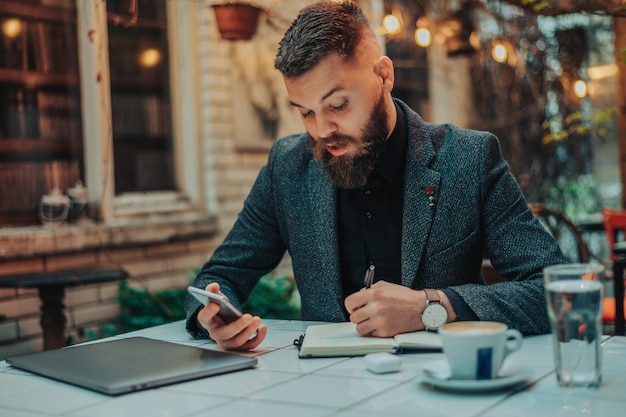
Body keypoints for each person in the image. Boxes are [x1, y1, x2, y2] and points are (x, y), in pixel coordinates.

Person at [185, 0, 568, 350]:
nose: (321, 130)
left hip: (440, 385)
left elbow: (556, 290)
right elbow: (217, 278)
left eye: (337, 104)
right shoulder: (288, 167)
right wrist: (216, 316)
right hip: (321, 390)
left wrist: (431, 307)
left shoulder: (468, 159)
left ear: (383, 75)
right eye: (305, 112)